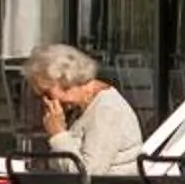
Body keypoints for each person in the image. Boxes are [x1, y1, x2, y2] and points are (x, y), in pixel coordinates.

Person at [26, 41, 142, 176]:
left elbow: (89, 174)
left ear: (66, 80)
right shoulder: (80, 108)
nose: (46, 101)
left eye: (47, 93)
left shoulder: (106, 109)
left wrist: (58, 135)